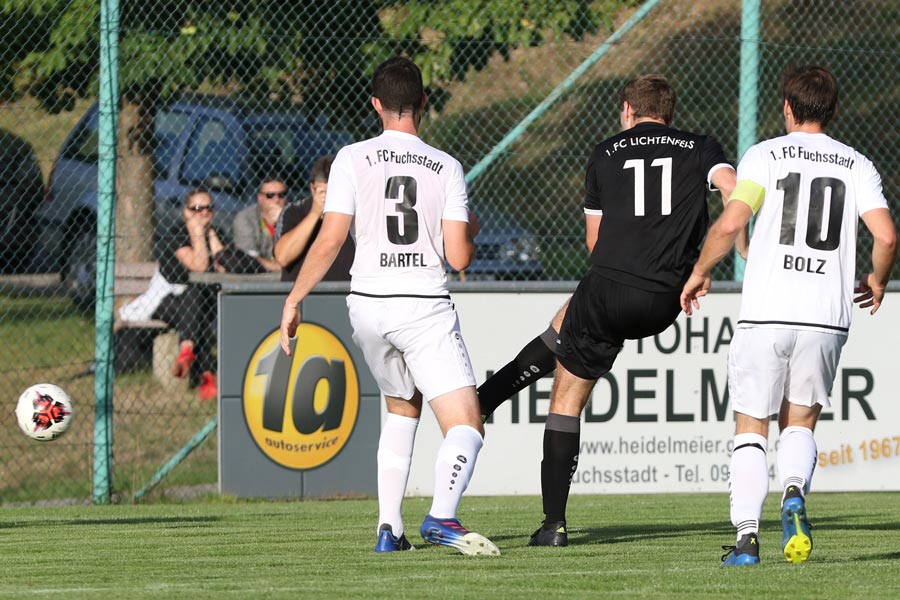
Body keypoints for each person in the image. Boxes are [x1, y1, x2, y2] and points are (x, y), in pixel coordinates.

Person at [279, 56, 499, 556]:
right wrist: (469, 228)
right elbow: (459, 257)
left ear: (376, 104)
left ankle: (388, 530)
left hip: (367, 307)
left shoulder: (351, 157)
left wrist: (294, 299)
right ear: (424, 102)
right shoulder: (446, 166)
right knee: (467, 424)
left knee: (402, 408)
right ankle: (442, 517)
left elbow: (331, 238)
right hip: (421, 305)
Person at [681, 65, 897, 566]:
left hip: (767, 313)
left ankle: (746, 541)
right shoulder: (856, 164)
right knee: (799, 422)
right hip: (826, 317)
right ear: (834, 110)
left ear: (785, 108)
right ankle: (794, 490)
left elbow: (731, 222)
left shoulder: (765, 155)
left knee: (751, 426)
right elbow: (886, 236)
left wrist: (700, 271)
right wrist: (879, 280)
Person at [524, 74, 741, 547]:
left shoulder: (605, 152)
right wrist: (719, 255)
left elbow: (594, 243)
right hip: (666, 299)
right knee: (568, 317)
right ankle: (488, 397)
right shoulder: (700, 146)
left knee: (566, 396)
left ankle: (553, 524)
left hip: (609, 291)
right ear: (670, 113)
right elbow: (732, 187)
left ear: (627, 110)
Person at [120, 188, 223, 400]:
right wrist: (197, 234)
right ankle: (205, 377)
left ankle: (187, 352)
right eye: (197, 208)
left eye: (209, 208)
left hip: (200, 304)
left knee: (196, 302)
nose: (204, 213)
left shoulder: (216, 233)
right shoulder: (176, 234)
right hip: (165, 300)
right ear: (186, 212)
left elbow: (225, 266)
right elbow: (199, 266)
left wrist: (212, 236)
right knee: (194, 297)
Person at [273, 155, 355, 282]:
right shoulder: (294, 211)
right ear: (313, 188)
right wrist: (315, 213)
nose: (329, 197)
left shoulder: (356, 213)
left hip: (346, 289)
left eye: (334, 190)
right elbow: (283, 257)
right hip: (303, 291)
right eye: (324, 192)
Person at [232, 175, 288, 272]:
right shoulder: (246, 218)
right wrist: (276, 267)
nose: (277, 200)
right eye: (270, 195)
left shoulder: (295, 216)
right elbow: (247, 258)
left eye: (281, 195)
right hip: (255, 276)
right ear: (260, 197)